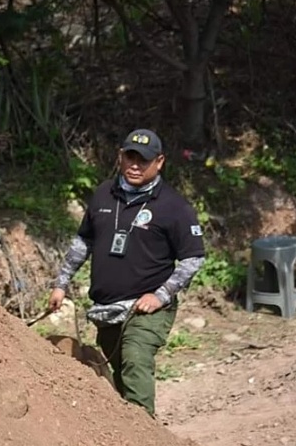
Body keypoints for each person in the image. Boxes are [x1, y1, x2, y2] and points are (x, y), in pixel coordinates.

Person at [47, 128, 205, 417]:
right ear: (120, 157)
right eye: (130, 157)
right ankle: (125, 428)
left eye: (143, 160)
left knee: (135, 358)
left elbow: (193, 258)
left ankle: (144, 431)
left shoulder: (175, 207)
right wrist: (62, 282)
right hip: (107, 308)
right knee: (119, 373)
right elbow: (83, 242)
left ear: (159, 162)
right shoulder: (103, 194)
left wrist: (161, 295)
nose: (135, 165)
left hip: (147, 309)